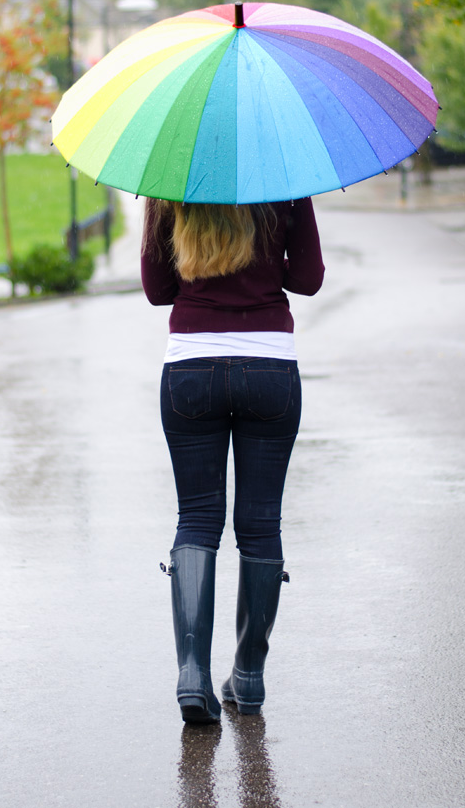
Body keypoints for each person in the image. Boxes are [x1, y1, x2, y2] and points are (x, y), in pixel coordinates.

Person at [141, 197, 324, 724]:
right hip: (269, 365)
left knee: (197, 518)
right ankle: (248, 674)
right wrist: (264, 265)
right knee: (261, 524)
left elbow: (158, 291)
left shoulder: (169, 179)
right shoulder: (286, 175)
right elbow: (308, 279)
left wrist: (207, 269)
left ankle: (192, 676)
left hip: (191, 367)